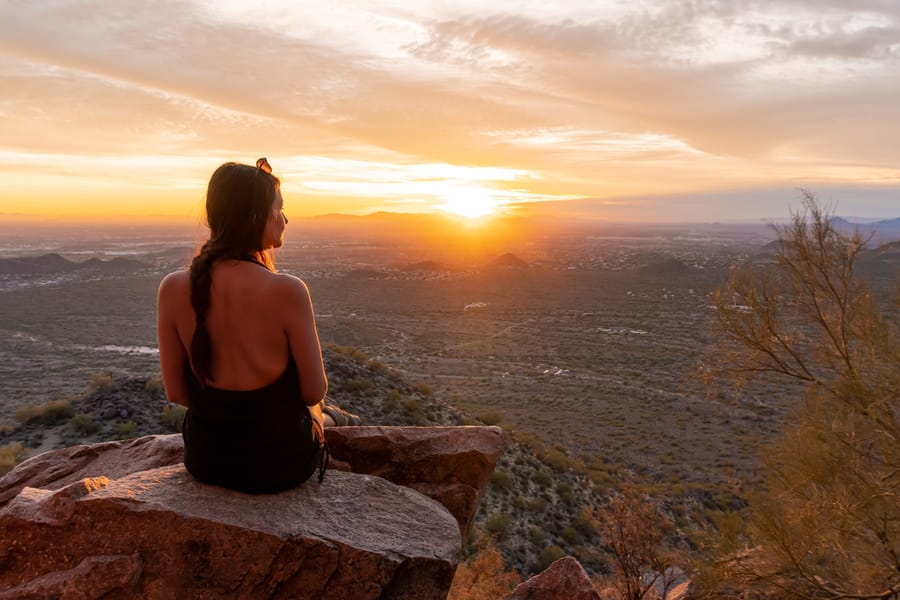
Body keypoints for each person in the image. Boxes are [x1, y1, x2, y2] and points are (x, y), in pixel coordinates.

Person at [156, 158, 357, 494]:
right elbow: (313, 391)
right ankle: (337, 420)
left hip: (207, 459)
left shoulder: (172, 288)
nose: (285, 219)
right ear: (254, 217)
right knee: (319, 407)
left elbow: (176, 392)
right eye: (278, 210)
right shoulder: (287, 290)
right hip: (280, 465)